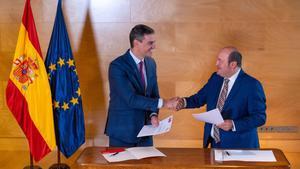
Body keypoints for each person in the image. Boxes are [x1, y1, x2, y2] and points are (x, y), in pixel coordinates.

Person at [175, 47, 266, 148]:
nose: (216, 64)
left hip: (239, 147)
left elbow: (259, 117)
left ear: (233, 65)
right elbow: (199, 98)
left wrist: (233, 124)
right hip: (214, 144)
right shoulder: (216, 77)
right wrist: (183, 102)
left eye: (220, 61)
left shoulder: (252, 85)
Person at [104, 24, 175, 147]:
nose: (154, 47)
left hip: (146, 133)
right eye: (150, 43)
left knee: (147, 166)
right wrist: (165, 103)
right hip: (123, 133)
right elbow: (131, 99)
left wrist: (153, 115)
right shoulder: (117, 66)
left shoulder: (151, 63)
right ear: (136, 43)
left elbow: (153, 94)